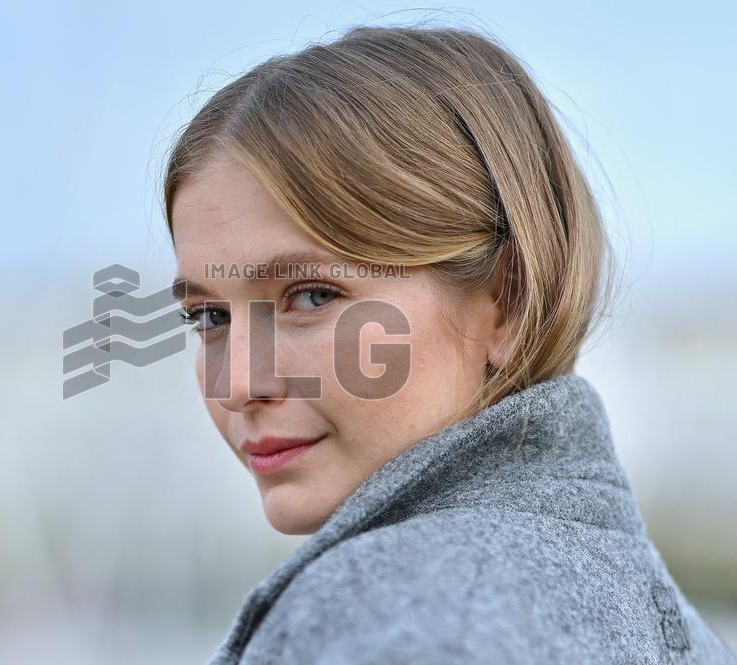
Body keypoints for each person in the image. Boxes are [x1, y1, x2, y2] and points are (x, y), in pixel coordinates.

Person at [163, 24, 737, 664]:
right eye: (209, 317)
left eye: (313, 296)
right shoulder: (656, 615)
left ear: (507, 302)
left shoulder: (398, 613)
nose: (239, 384)